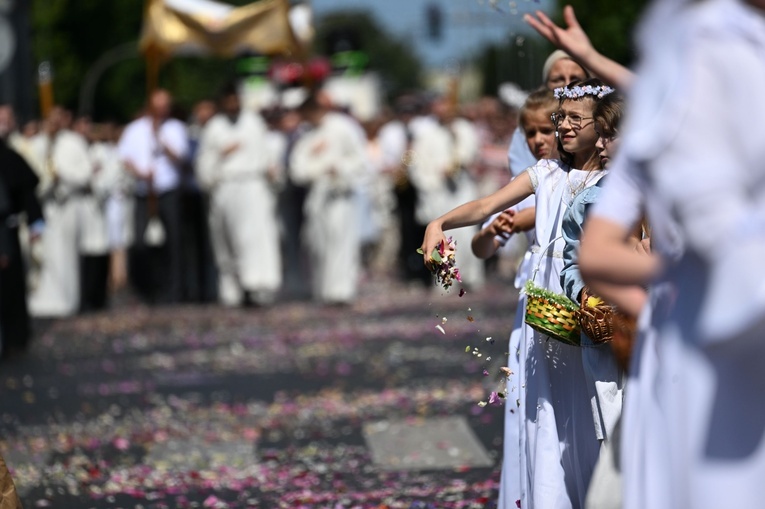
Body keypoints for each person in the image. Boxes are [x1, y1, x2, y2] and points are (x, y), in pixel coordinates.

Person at [578, 1, 765, 508]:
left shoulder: (681, 76)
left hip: (686, 332)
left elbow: (593, 256)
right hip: (718, 346)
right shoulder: (719, 51)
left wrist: (667, 295)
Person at [421, 79, 613, 509]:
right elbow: (485, 206)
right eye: (558, 118)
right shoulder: (544, 174)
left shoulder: (613, 179)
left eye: (572, 120)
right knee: (545, 412)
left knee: (591, 409)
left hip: (591, 304)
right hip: (545, 309)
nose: (561, 127)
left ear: (600, 127)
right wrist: (440, 223)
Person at [469, 88, 559, 509]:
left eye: (547, 130)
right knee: (532, 406)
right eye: (530, 132)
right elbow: (483, 245)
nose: (539, 139)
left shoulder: (589, 175)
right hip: (538, 300)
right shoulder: (529, 180)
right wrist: (491, 232)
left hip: (582, 300)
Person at [196, 85, 282, 306]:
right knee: (228, 239)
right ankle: (234, 289)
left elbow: (267, 153)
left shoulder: (253, 122)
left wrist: (271, 170)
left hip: (253, 185)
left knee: (257, 237)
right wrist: (221, 155)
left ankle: (258, 287)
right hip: (227, 186)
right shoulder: (214, 128)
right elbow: (204, 165)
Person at [289, 93, 368, 305]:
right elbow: (297, 169)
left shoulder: (342, 127)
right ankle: (324, 289)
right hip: (317, 195)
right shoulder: (306, 135)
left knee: (341, 241)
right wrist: (317, 168)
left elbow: (360, 159)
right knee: (318, 244)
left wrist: (339, 168)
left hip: (340, 194)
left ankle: (341, 291)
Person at [118, 89, 189, 304]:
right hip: (143, 192)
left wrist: (161, 139)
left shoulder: (176, 128)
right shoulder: (134, 130)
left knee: (173, 242)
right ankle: (145, 290)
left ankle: (174, 291)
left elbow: (181, 157)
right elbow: (124, 158)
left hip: (168, 190)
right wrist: (139, 172)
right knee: (140, 242)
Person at [410, 96, 485, 289]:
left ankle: (470, 276)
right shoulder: (426, 134)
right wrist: (434, 178)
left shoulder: (464, 129)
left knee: (467, 233)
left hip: (462, 190)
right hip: (439, 193)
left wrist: (458, 153)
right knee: (443, 237)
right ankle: (446, 280)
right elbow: (417, 165)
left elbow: (471, 154)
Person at [28, 106, 93, 317]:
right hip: (47, 207)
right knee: (44, 254)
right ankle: (45, 297)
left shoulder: (73, 142)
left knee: (67, 255)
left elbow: (84, 175)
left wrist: (62, 175)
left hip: (68, 205)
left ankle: (68, 299)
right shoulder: (38, 143)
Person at [0, 121, 44, 357]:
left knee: (11, 285)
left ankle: (14, 337)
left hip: (5, 233)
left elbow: (25, 194)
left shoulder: (9, 158)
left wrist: (36, 221)